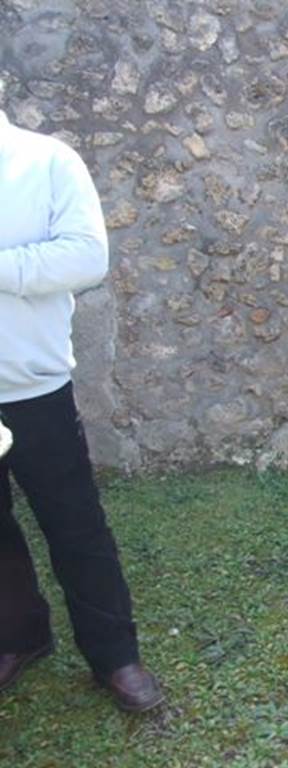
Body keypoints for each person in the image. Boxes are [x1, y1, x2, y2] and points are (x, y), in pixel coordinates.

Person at [0, 100, 163, 712]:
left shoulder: (46, 162)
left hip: (32, 388)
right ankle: (20, 637)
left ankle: (115, 657)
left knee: (75, 527)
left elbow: (86, 257)